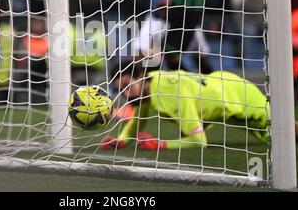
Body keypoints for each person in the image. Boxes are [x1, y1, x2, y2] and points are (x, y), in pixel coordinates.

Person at [102, 60, 298, 150]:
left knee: (287, 135)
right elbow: (138, 120)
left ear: (141, 76)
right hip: (223, 86)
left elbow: (199, 142)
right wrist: (121, 140)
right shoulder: (152, 84)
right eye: (121, 91)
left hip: (240, 98)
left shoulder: (169, 93)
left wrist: (161, 144)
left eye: (128, 87)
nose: (126, 95)